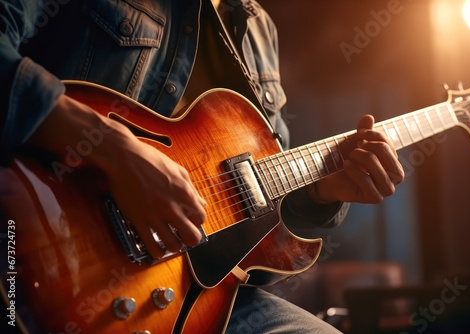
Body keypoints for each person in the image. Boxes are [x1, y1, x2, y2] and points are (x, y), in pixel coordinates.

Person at [0, 0, 404, 333]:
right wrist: (111, 148)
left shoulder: (260, 30)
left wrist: (319, 191)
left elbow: (256, 214)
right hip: (34, 235)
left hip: (196, 297)